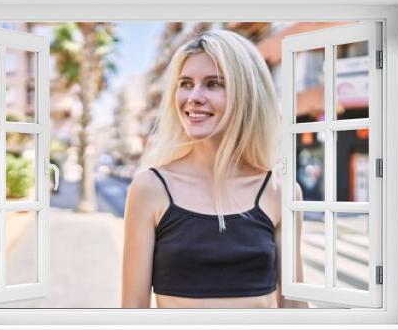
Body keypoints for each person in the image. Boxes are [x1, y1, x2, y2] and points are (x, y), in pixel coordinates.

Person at [121, 30, 307, 308]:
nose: (193, 97)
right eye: (185, 83)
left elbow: (293, 307)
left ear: (247, 94)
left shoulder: (280, 192)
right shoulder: (150, 188)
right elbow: (133, 310)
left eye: (213, 84)